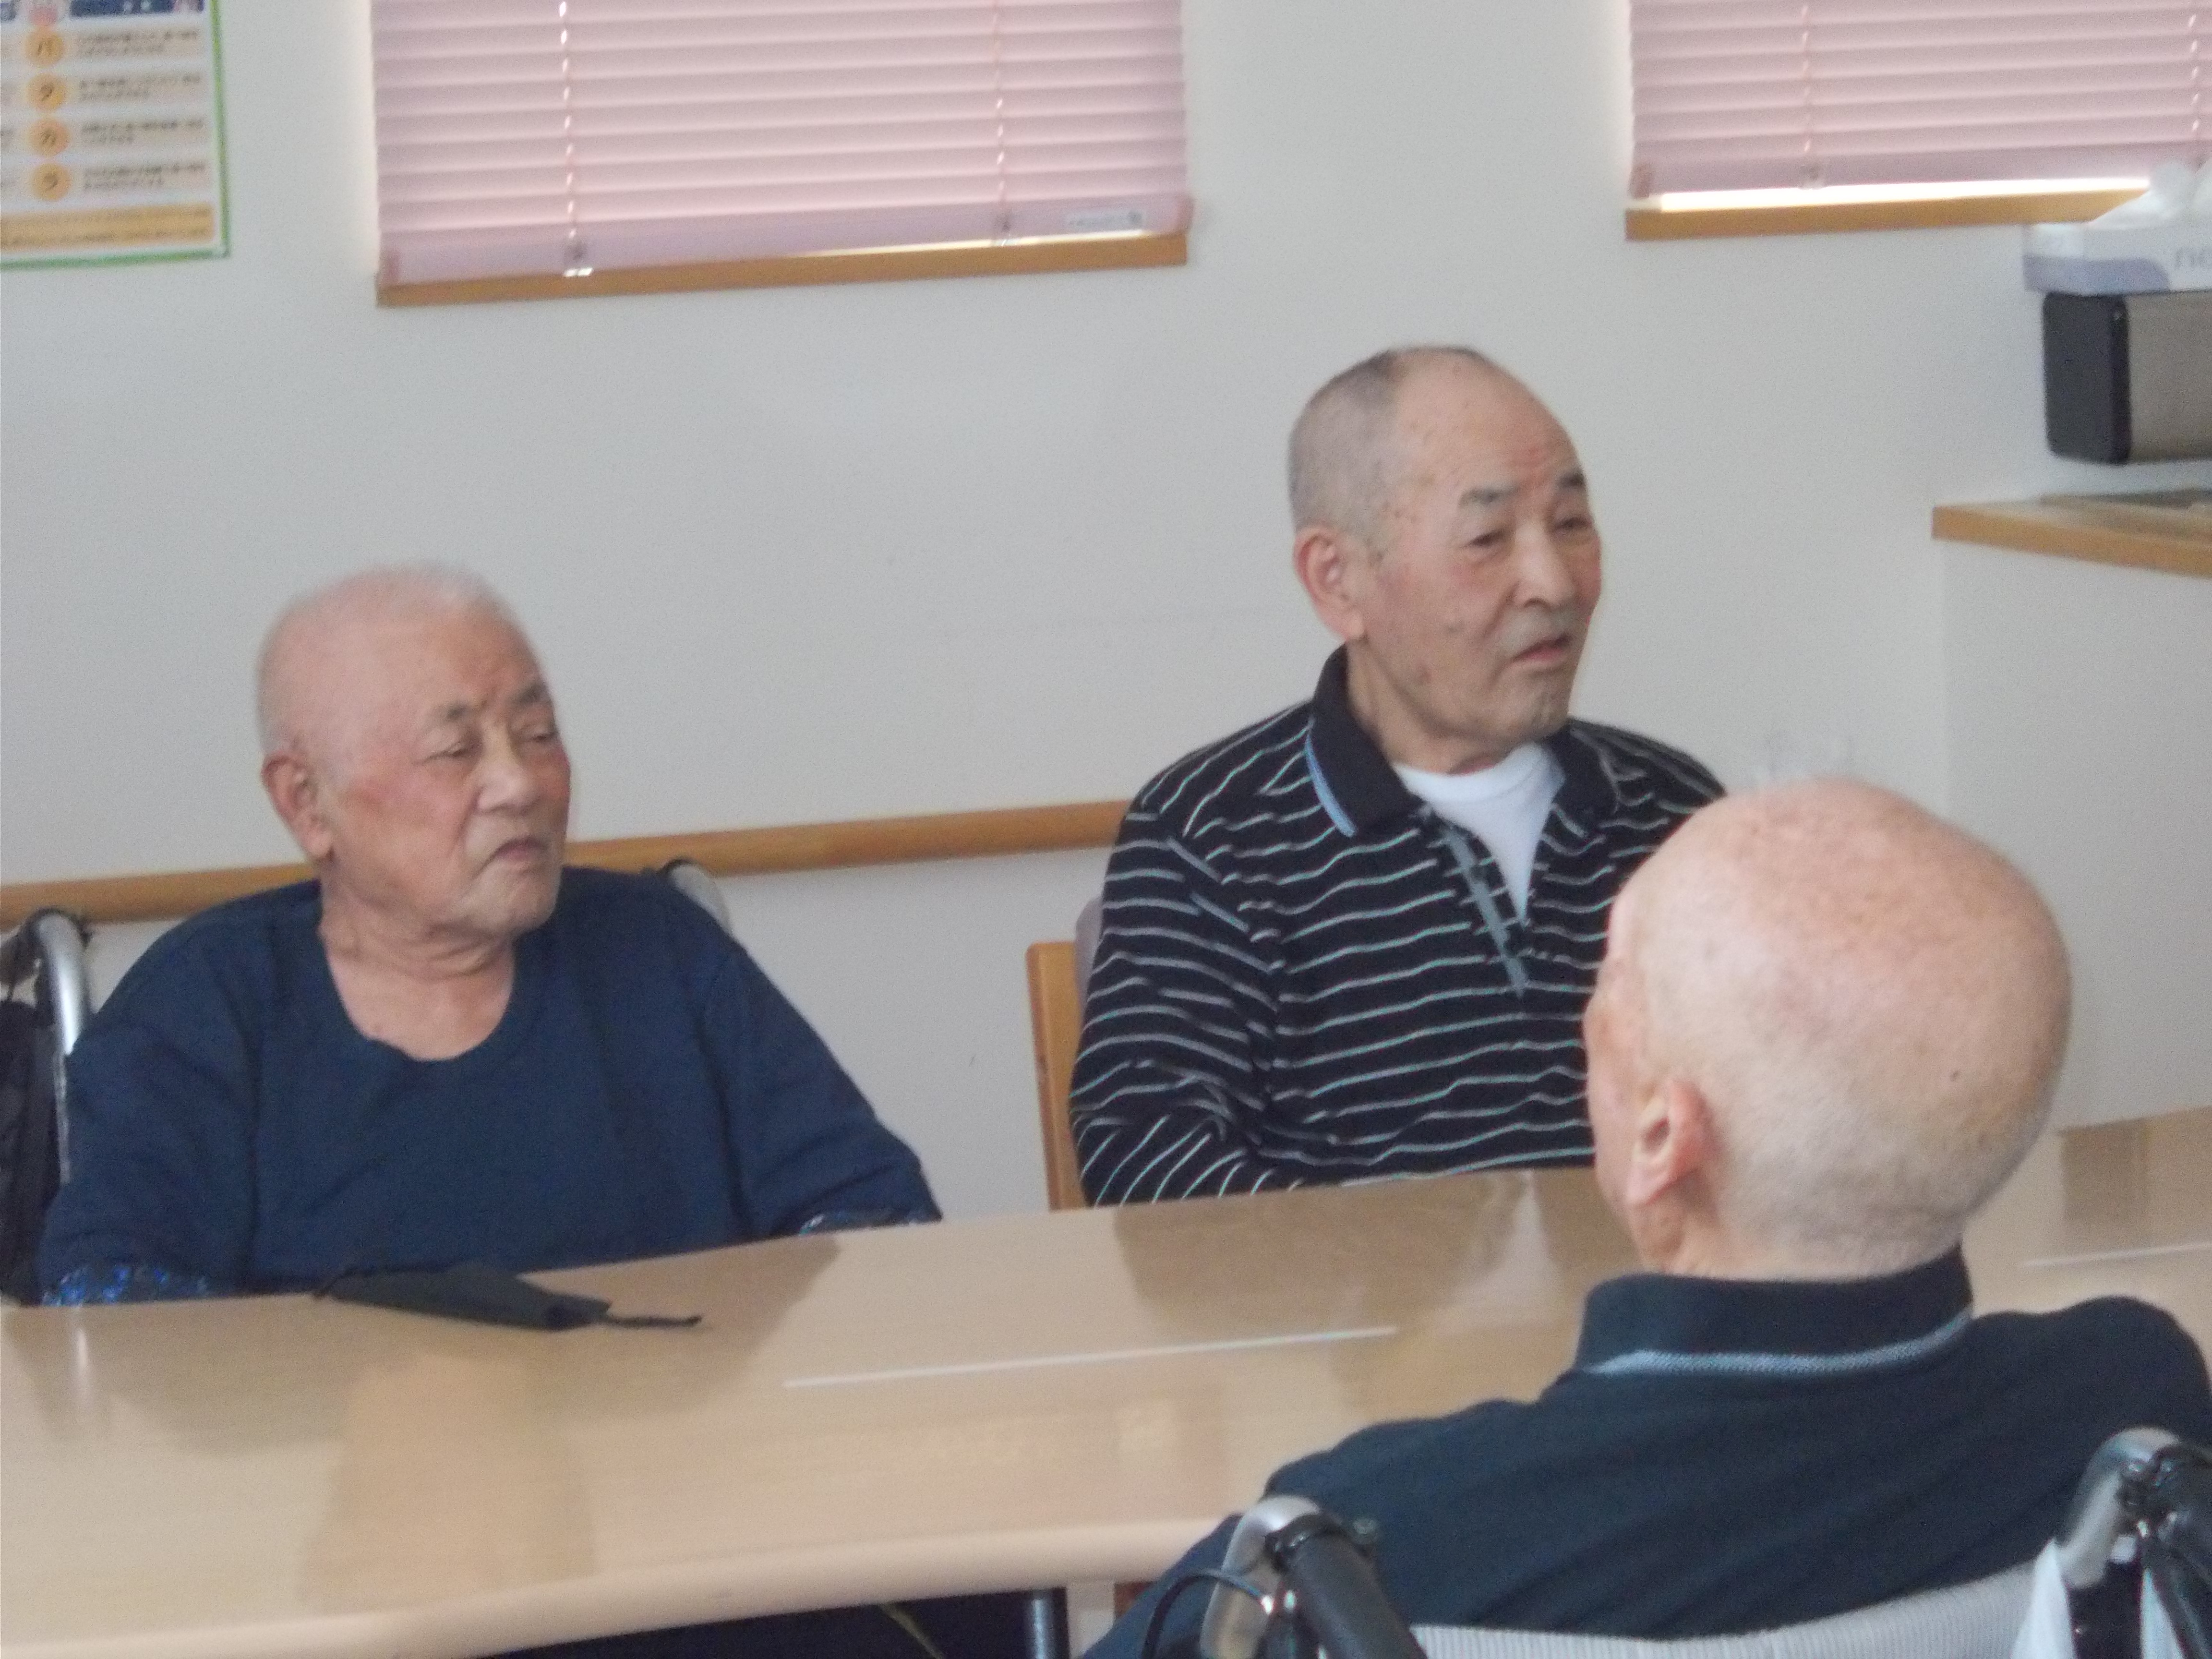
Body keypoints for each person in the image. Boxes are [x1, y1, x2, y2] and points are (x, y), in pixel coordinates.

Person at [1088, 780, 2212, 1656]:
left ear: (1665, 1139)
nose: (1586, 1012)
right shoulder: (2130, 1411)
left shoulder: (1361, 1540)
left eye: (1615, 973)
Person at [38, 565, 938, 1301]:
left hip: (668, 1455)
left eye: (537, 733)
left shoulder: (662, 952)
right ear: (306, 803)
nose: (521, 784)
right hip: (338, 1468)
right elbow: (117, 1307)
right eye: (456, 751)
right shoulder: (204, 1008)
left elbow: (875, 1220)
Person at [1072, 347, 1721, 1203]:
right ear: (1338, 581)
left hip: (1653, 1288)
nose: (1554, 583)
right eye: (1487, 539)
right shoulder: (1210, 835)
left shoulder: (1675, 813)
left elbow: (1775, 1113)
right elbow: (1146, 1161)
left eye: (1571, 523)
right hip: (1351, 1293)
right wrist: (1400, 1274)